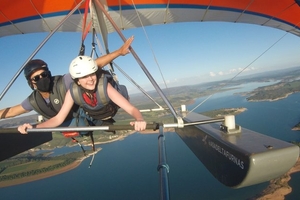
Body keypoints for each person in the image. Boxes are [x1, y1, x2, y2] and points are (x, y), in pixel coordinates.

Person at [0, 36, 134, 127]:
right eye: (36, 78)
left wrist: (118, 52)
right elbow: (11, 112)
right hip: (68, 123)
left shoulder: (62, 82)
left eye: (44, 74)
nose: (42, 79)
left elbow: (93, 65)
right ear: (32, 83)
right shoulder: (34, 101)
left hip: (87, 116)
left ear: (49, 74)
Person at [18, 55, 146, 133]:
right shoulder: (72, 92)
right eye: (84, 77)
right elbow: (58, 119)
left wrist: (139, 119)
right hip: (97, 112)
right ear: (77, 81)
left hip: (110, 106)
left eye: (91, 74)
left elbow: (130, 108)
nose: (90, 79)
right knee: (83, 123)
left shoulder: (104, 87)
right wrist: (34, 127)